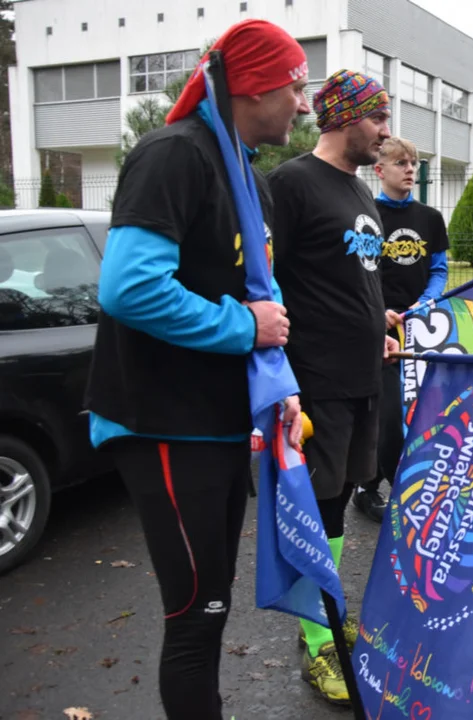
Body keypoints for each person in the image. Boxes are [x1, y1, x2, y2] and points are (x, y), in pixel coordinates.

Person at [83, 20, 308, 719]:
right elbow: (130, 288)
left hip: (214, 425)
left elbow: (257, 297)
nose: (304, 104)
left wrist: (282, 386)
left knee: (211, 605)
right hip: (163, 422)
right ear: (254, 86)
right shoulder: (174, 155)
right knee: (196, 610)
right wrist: (244, 329)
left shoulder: (247, 175)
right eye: (297, 87)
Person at [267, 68, 396, 705]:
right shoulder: (292, 183)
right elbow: (267, 282)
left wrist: (379, 326)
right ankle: (318, 644)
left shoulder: (359, 192)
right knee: (313, 509)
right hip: (314, 385)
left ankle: (325, 608)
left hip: (361, 377)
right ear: (343, 116)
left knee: (340, 500)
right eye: (378, 116)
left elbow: (352, 280)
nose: (385, 130)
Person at [351, 136, 449, 521]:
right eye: (402, 163)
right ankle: (383, 489)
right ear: (380, 170)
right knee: (389, 418)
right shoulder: (366, 216)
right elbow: (359, 272)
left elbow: (439, 270)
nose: (410, 170)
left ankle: (380, 484)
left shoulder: (430, 219)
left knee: (421, 412)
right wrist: (381, 312)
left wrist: (426, 302)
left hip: (423, 330)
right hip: (379, 331)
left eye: (414, 163)